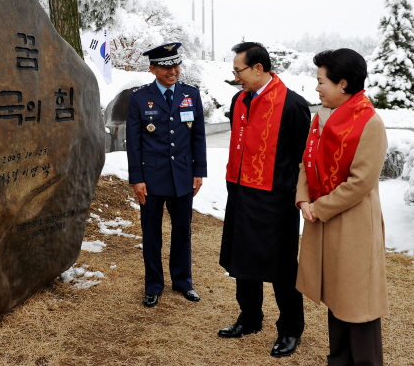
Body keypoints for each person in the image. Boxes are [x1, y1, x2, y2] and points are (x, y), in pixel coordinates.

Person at [296, 48, 389, 366]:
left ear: (343, 84)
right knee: (337, 298)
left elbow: (360, 183)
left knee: (357, 303)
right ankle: (338, 360)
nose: (317, 87)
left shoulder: (370, 123)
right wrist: (303, 198)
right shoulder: (321, 117)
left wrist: (319, 208)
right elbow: (307, 162)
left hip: (352, 225)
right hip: (324, 218)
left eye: (321, 81)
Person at [218, 42, 309, 358]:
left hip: (275, 200)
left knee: (281, 265)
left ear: (259, 68)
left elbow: (302, 159)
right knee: (242, 259)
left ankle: (291, 328)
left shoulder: (293, 106)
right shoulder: (239, 99)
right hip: (241, 192)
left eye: (238, 71)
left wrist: (295, 196)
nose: (236, 77)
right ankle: (250, 318)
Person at [126, 42, 207, 308]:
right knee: (152, 234)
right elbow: (134, 141)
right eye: (165, 66)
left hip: (183, 176)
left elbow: (198, 135)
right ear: (153, 69)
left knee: (182, 231)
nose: (173, 70)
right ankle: (153, 285)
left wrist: (199, 171)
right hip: (151, 179)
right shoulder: (139, 98)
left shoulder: (190, 95)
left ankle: (183, 282)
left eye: (175, 65)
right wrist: (137, 178)